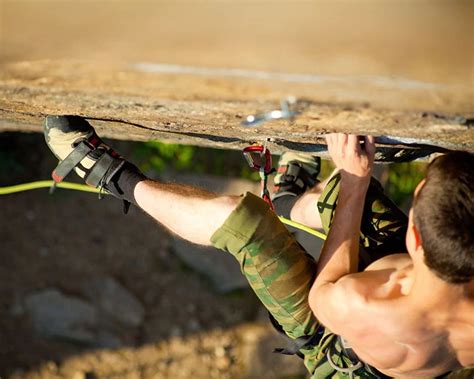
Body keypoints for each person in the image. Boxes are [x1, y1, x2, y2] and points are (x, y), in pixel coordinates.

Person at [43, 115, 474, 378]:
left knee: (247, 225)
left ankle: (106, 172)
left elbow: (329, 290)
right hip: (412, 285)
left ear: (415, 238)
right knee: (352, 194)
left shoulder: (359, 302)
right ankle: (289, 196)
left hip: (336, 341)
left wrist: (356, 178)